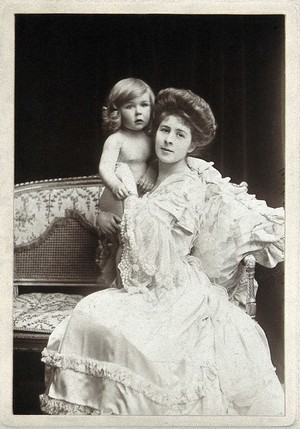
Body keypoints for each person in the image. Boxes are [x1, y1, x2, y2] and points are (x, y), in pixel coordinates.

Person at [40, 88, 284, 416]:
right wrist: (109, 209)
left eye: (179, 135)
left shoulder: (188, 186)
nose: (168, 140)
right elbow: (116, 214)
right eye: (165, 130)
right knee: (89, 316)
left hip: (173, 283)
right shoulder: (150, 173)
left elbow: (156, 249)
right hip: (147, 280)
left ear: (192, 145)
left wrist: (127, 192)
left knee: (115, 329)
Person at [97, 77, 157, 285]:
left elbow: (158, 162)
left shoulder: (151, 139)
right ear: (117, 111)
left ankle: (134, 282)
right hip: (118, 197)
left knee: (138, 242)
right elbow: (105, 167)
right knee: (124, 240)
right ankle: (119, 284)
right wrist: (115, 184)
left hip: (139, 198)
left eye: (144, 105)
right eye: (130, 106)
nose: (138, 112)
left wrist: (150, 170)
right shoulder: (116, 140)